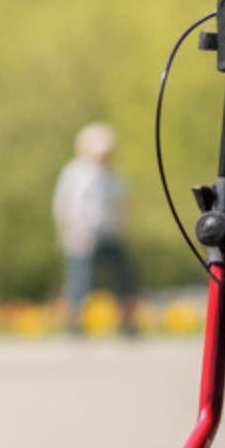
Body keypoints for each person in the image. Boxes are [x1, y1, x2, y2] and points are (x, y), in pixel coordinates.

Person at [52, 123, 139, 335]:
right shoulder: (74, 173)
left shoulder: (111, 175)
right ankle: (75, 323)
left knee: (121, 279)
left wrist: (120, 224)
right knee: (81, 281)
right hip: (82, 234)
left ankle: (126, 322)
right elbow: (63, 205)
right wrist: (68, 232)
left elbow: (122, 201)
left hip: (109, 233)